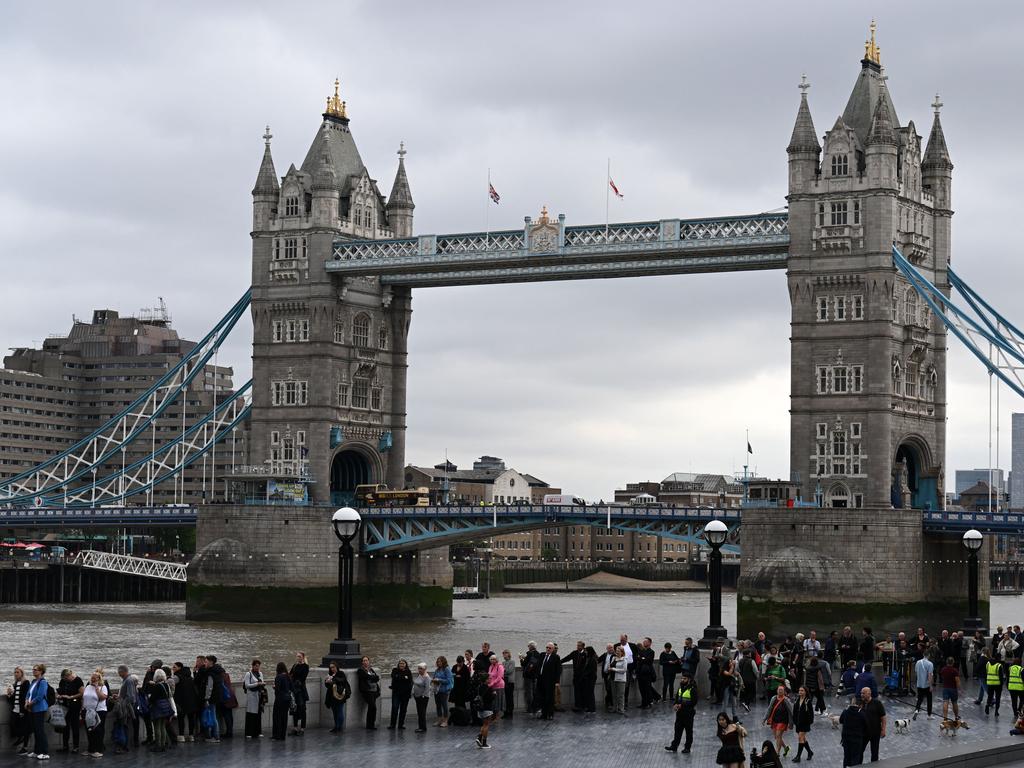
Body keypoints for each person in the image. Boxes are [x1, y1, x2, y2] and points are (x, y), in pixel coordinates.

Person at [475, 655, 504, 749]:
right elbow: (490, 698)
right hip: (487, 708)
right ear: (486, 680)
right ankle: (484, 743)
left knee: (484, 724)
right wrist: (494, 694)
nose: (490, 679)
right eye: (489, 678)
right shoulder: (489, 688)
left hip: (480, 708)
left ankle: (479, 737)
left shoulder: (480, 687)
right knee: (486, 725)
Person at [664, 670, 697, 753]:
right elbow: (677, 699)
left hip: (688, 713)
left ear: (689, 680)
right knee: (677, 730)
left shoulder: (692, 689)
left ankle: (687, 748)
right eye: (682, 678)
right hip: (680, 713)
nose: (682, 680)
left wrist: (682, 705)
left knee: (688, 731)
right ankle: (674, 746)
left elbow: (693, 702)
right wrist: (675, 704)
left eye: (684, 679)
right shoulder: (680, 688)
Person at [24, 663, 51, 760]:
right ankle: (37, 751)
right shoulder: (34, 681)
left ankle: (44, 752)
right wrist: (26, 701)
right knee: (35, 730)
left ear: (41, 671)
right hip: (32, 709)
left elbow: (39, 697)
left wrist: (29, 704)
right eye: (33, 669)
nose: (34, 671)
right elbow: (28, 694)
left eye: (36, 669)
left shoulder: (43, 682)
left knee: (40, 731)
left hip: (39, 709)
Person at [56, 668, 84, 754]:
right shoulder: (63, 681)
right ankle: (65, 746)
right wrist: (58, 696)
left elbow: (82, 693)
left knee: (75, 726)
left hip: (75, 706)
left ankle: (76, 747)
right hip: (65, 707)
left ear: (69, 675)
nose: (65, 680)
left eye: (65, 678)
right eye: (63, 679)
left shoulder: (78, 680)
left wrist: (71, 697)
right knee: (65, 727)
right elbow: (59, 690)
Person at [145, 668, 173, 753]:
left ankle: (158, 746)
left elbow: (152, 698)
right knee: (162, 727)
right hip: (165, 708)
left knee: (157, 727)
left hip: (157, 708)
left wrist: (149, 699)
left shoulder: (156, 687)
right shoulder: (166, 685)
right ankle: (163, 745)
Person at [171, 663, 199, 743]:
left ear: (179, 668)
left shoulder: (177, 677)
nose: (172, 668)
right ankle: (191, 736)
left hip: (181, 701)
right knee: (191, 719)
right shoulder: (190, 677)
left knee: (181, 719)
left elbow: (170, 684)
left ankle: (181, 736)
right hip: (192, 701)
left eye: (174, 667)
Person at [82, 671, 108, 758]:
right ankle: (90, 749)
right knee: (89, 730)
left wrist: (97, 688)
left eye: (95, 677)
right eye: (92, 677)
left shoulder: (103, 687)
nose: (93, 679)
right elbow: (84, 698)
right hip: (88, 711)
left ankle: (98, 749)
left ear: (99, 679)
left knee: (98, 731)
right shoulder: (88, 686)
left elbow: (103, 698)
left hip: (99, 711)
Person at [764, 685, 792, 759]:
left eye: (781, 690)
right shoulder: (773, 698)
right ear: (777, 691)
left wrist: (791, 722)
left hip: (783, 721)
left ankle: (777, 752)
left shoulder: (786, 700)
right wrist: (764, 719)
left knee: (779, 735)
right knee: (777, 737)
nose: (780, 691)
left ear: (784, 691)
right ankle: (786, 748)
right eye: (779, 690)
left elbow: (791, 711)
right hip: (774, 720)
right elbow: (769, 709)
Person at [8, 667, 31, 755]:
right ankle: (20, 737)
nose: (16, 674)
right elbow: (13, 699)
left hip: (23, 709)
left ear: (22, 673)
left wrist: (23, 711)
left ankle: (24, 747)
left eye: (17, 672)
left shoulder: (26, 683)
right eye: (15, 672)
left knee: (25, 728)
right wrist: (9, 694)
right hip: (15, 709)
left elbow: (25, 697)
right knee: (12, 724)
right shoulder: (15, 684)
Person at [861, 687, 886, 763]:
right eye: (861, 693)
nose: (861, 695)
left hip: (875, 732)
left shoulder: (877, 703)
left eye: (863, 693)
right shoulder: (860, 703)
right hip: (864, 732)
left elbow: (883, 718)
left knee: (874, 752)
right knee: (860, 750)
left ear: (869, 693)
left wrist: (883, 730)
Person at [536, 642, 561, 720]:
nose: (548, 649)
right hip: (541, 680)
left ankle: (550, 714)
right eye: (547, 647)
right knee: (542, 697)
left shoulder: (555, 657)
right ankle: (544, 714)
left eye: (550, 648)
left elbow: (558, 670)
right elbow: (538, 665)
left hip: (550, 681)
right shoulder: (542, 655)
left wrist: (557, 681)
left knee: (549, 698)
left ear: (553, 649)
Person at [323, 663, 351, 734]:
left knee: (339, 711)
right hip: (331, 696)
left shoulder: (340, 673)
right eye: (331, 668)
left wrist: (332, 680)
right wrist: (326, 681)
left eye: (333, 667)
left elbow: (342, 680)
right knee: (334, 712)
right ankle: (336, 726)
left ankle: (340, 727)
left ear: (337, 667)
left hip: (339, 696)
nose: (332, 669)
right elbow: (327, 685)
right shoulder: (330, 674)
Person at [840, 697, 867, 767]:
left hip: (846, 738)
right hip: (857, 739)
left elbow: (840, 720)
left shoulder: (845, 711)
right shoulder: (862, 714)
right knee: (855, 758)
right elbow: (866, 725)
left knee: (846, 756)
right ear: (860, 705)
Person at [242, 660, 266, 738]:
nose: (257, 667)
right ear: (252, 666)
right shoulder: (248, 674)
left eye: (258, 666)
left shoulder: (260, 673)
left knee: (258, 714)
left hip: (259, 696)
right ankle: (249, 733)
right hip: (251, 696)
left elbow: (262, 682)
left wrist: (262, 684)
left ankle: (258, 732)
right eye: (256, 666)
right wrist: (257, 684)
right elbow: (247, 685)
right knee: (251, 714)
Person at [357, 656, 381, 730]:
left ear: (369, 661)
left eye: (366, 660)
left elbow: (377, 678)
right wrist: (372, 677)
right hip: (367, 691)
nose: (365, 662)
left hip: (374, 691)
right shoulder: (360, 670)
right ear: (362, 662)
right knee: (372, 706)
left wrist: (372, 677)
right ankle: (369, 725)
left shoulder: (371, 669)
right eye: (364, 661)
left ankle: (371, 724)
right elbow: (366, 677)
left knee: (372, 708)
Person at [388, 659, 412, 729]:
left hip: (405, 694)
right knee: (395, 708)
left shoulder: (408, 671)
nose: (401, 665)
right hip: (396, 693)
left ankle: (401, 725)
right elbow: (393, 676)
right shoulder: (394, 670)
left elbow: (410, 682)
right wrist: (404, 677)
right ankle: (392, 724)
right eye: (400, 663)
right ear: (398, 664)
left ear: (406, 665)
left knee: (403, 709)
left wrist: (399, 677)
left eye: (403, 663)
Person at [289, 652, 310, 736]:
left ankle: (302, 728)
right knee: (294, 708)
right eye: (297, 656)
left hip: (301, 690)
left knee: (302, 708)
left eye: (300, 656)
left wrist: (294, 681)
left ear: (303, 657)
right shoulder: (295, 665)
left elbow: (302, 678)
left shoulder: (306, 666)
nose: (298, 658)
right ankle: (295, 728)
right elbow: (290, 675)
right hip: (294, 690)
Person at [792, 685, 814, 763]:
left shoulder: (808, 701)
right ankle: (810, 752)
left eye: (802, 690)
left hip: (805, 723)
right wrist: (794, 720)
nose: (800, 692)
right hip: (798, 723)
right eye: (799, 690)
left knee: (800, 738)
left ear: (805, 692)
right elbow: (794, 711)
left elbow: (811, 713)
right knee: (803, 739)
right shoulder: (797, 700)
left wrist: (809, 722)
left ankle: (798, 756)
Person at [636, 637, 660, 708]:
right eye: (643, 642)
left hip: (647, 673)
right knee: (641, 689)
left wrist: (641, 658)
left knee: (647, 688)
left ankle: (648, 703)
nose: (644, 643)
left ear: (649, 643)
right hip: (640, 672)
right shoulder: (641, 651)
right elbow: (638, 659)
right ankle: (643, 703)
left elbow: (648, 661)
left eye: (645, 642)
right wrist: (642, 658)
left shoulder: (651, 652)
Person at [271, 662, 292, 740]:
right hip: (287, 699)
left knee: (277, 717)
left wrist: (274, 687)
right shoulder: (287, 676)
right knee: (284, 717)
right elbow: (291, 687)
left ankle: (277, 735)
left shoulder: (278, 677)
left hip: (279, 700)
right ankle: (283, 735)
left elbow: (278, 689)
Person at [519, 642, 541, 714]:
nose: (528, 647)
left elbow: (523, 664)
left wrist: (521, 658)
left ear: (531, 647)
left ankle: (529, 708)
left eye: (528, 646)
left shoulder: (529, 654)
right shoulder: (538, 654)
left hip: (528, 676)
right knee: (534, 692)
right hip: (535, 676)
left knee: (528, 692)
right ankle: (535, 708)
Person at [431, 656, 453, 727]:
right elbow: (434, 677)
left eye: (440, 661)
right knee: (438, 705)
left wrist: (439, 680)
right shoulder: (437, 670)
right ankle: (439, 719)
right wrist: (434, 680)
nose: (438, 663)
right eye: (437, 662)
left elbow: (448, 680)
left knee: (444, 705)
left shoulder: (446, 669)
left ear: (443, 662)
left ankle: (445, 720)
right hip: (437, 690)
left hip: (444, 690)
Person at [938, 656, 960, 723]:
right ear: (953, 662)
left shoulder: (943, 669)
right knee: (954, 703)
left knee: (945, 702)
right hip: (953, 689)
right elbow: (957, 681)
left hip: (945, 688)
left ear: (946, 662)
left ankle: (945, 718)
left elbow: (942, 676)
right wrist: (958, 689)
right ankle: (956, 717)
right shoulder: (955, 670)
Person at [913, 651, 934, 720]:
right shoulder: (930, 664)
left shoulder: (918, 662)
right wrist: (930, 685)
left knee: (920, 699)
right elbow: (930, 675)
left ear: (923, 654)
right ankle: (929, 715)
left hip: (919, 684)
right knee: (929, 700)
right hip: (926, 685)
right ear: (929, 655)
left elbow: (916, 673)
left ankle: (916, 710)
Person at [412, 663, 431, 733]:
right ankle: (421, 726)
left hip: (423, 698)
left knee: (422, 712)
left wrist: (423, 696)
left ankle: (423, 727)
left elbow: (427, 688)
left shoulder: (427, 677)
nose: (419, 670)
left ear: (425, 669)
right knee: (419, 712)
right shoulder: (420, 675)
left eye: (421, 669)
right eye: (419, 668)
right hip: (417, 696)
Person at [610, 646, 629, 715]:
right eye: (616, 651)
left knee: (620, 695)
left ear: (622, 652)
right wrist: (609, 668)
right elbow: (611, 665)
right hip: (613, 678)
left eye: (618, 651)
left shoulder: (624, 659)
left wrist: (614, 669)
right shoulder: (613, 658)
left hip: (621, 679)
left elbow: (624, 670)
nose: (617, 652)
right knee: (614, 694)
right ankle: (614, 708)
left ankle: (621, 709)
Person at [598, 643, 616, 712]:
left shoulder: (615, 655)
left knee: (610, 689)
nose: (611, 649)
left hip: (612, 674)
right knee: (607, 689)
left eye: (611, 647)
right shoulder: (605, 655)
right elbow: (598, 660)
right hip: (605, 675)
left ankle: (610, 703)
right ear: (607, 649)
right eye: (609, 648)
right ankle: (608, 702)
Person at [500, 650, 515, 719]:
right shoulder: (503, 662)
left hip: (510, 681)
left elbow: (509, 671)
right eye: (503, 654)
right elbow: (501, 671)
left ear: (508, 654)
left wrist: (503, 670)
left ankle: (510, 712)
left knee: (510, 697)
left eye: (505, 654)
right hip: (504, 681)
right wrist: (503, 670)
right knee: (505, 698)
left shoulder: (512, 662)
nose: (504, 655)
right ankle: (506, 712)